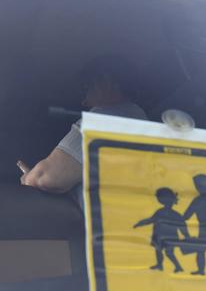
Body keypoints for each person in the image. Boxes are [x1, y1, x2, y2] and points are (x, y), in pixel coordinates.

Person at [18, 55, 147, 207]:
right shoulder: (140, 121)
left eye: (86, 89)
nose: (84, 102)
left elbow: (47, 178)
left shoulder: (105, 120)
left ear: (106, 82)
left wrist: (27, 178)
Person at [133, 187, 189, 273]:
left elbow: (182, 226)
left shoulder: (172, 214)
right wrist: (140, 223)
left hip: (169, 237)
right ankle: (160, 265)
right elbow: (151, 220)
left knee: (168, 253)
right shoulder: (162, 212)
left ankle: (178, 266)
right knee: (159, 250)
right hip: (159, 236)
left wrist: (186, 236)